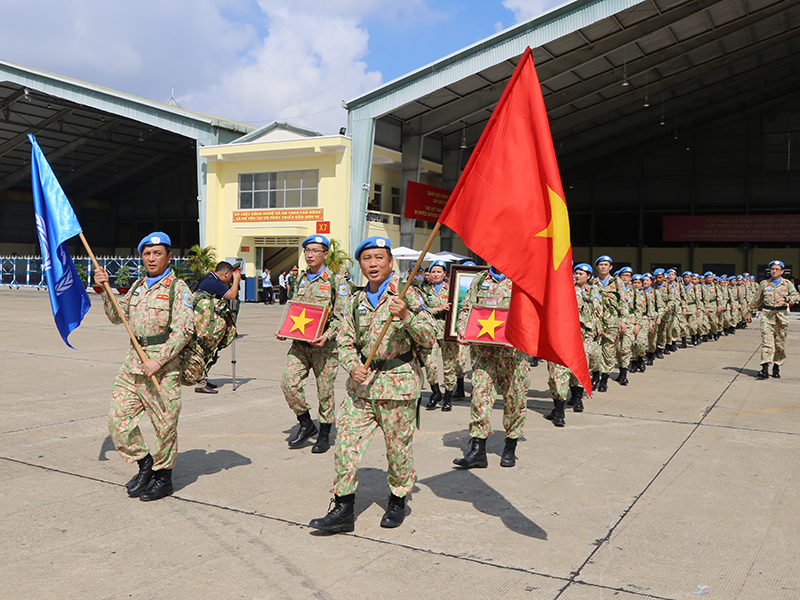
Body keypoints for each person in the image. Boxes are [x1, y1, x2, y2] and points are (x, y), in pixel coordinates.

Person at [309, 236, 435, 532]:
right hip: (362, 389)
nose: (373, 264)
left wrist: (405, 316)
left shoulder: (409, 296)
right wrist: (352, 367)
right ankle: (343, 508)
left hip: (397, 387)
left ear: (391, 262)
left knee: (398, 450)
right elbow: (345, 342)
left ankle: (398, 500)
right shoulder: (355, 301)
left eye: (379, 257)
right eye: (367, 259)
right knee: (345, 445)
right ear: (361, 265)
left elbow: (429, 337)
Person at [94, 232, 194, 502]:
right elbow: (118, 316)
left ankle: (163, 479)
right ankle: (144, 464)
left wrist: (158, 360)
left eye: (157, 253)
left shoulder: (177, 288)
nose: (151, 258)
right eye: (147, 254)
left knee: (164, 427)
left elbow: (184, 331)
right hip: (132, 366)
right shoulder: (138, 285)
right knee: (118, 421)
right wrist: (106, 291)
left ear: (169, 257)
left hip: (163, 368)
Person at [277, 235, 349, 453]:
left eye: (315, 250)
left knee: (325, 391)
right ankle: (306, 423)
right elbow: (295, 309)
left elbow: (341, 315)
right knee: (288, 384)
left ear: (325, 254)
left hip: (325, 348)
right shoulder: (299, 280)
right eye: (307, 250)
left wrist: (328, 335)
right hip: (300, 345)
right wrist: (284, 329)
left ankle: (324, 434)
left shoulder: (336, 281)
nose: (310, 254)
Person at [453, 266, 529, 468]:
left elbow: (532, 312)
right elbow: (467, 308)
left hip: (512, 354)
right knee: (479, 397)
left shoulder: (521, 278)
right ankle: (478, 449)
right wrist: (462, 329)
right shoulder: (480, 279)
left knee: (514, 399)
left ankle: (510, 445)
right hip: (483, 352)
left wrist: (521, 335)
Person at [193, 261, 241, 394]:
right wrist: (236, 281)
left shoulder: (209, 279)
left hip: (204, 322)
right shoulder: (213, 282)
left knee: (206, 351)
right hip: (203, 324)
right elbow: (231, 295)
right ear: (226, 273)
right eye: (230, 276)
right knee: (203, 350)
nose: (230, 279)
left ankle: (203, 379)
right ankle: (200, 383)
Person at [747, 260, 800, 379]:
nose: (774, 271)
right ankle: (764, 368)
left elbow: (796, 296)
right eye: (772, 269)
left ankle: (776, 367)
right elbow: (757, 299)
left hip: (781, 316)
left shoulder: (787, 284)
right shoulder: (764, 284)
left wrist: (785, 299)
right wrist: (749, 312)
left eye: (777, 269)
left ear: (782, 271)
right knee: (767, 342)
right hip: (767, 315)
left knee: (779, 343)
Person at [419, 260, 458, 411]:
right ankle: (436, 392)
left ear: (445, 274)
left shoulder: (452, 288)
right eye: (433, 271)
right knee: (429, 364)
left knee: (449, 367)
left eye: (439, 272)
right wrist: (438, 308)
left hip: (447, 333)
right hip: (431, 332)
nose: (436, 274)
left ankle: (448, 397)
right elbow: (421, 308)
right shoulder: (424, 289)